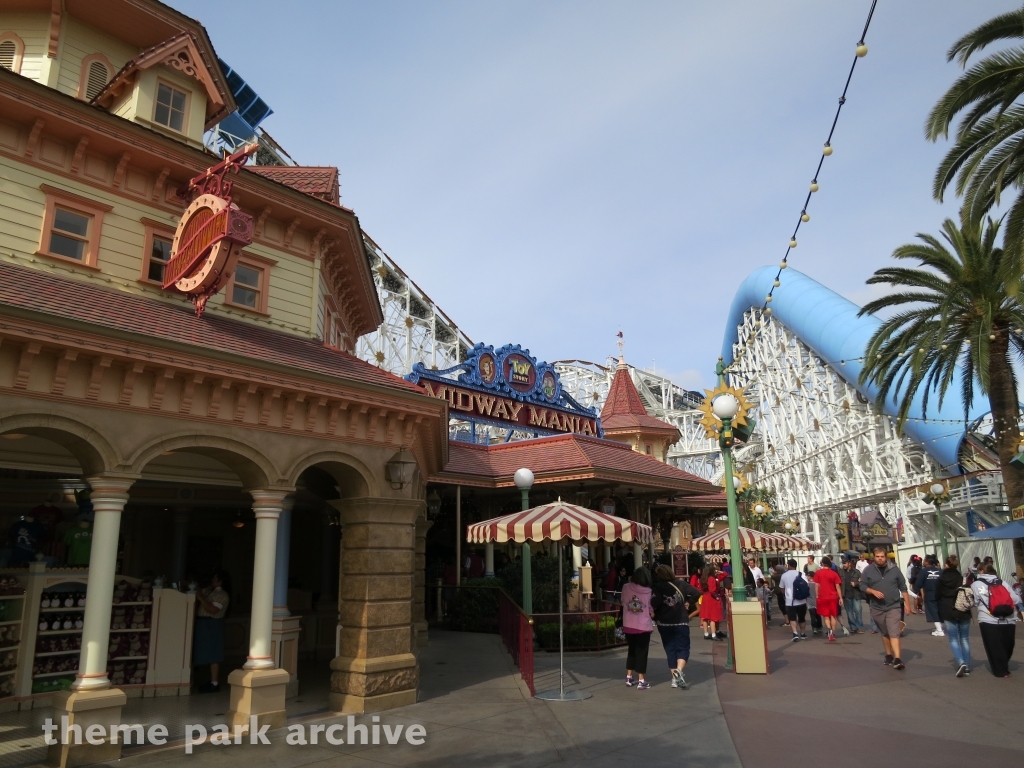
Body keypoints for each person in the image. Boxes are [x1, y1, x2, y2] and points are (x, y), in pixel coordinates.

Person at [651, 565, 702, 689]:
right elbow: (696, 592)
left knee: (670, 650)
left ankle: (674, 678)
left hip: (664, 622)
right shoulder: (681, 584)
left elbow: (654, 603)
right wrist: (688, 603)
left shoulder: (657, 587)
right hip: (680, 621)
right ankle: (679, 671)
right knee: (683, 648)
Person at [860, 547, 909, 670]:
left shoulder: (894, 570)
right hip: (877, 607)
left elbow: (903, 587)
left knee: (894, 631)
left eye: (882, 556)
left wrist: (908, 605)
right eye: (877, 556)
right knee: (885, 632)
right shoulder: (868, 570)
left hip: (893, 606)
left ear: (886, 557)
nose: (880, 558)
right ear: (874, 557)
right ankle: (888, 654)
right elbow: (862, 585)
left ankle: (897, 659)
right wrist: (872, 591)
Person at [971, 563, 1023, 678]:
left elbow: (974, 602)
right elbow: (1016, 599)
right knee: (1007, 644)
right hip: (1009, 618)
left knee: (993, 646)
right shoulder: (1003, 582)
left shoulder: (976, 584)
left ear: (980, 571)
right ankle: (1004, 664)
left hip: (988, 619)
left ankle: (1000, 670)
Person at [193, 570, 231, 693]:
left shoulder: (222, 595)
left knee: (213, 653)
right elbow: (201, 590)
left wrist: (201, 599)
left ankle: (214, 683)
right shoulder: (211, 591)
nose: (212, 581)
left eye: (215, 579)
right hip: (204, 624)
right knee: (202, 651)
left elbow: (213, 609)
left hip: (212, 624)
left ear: (220, 581)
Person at [936, 554, 972, 677]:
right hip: (963, 610)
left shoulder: (941, 579)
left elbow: (937, 596)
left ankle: (961, 662)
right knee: (965, 638)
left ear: (946, 565)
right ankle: (966, 665)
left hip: (947, 609)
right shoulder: (962, 578)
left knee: (953, 638)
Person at [621, 566, 655, 689]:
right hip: (643, 626)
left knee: (631, 651)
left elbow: (623, 601)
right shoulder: (649, 591)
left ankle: (629, 677)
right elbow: (651, 609)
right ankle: (641, 680)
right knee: (642, 652)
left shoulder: (625, 587)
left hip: (629, 624)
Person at [812, 556, 844, 642]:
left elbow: (816, 585)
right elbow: (838, 586)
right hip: (833, 596)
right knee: (833, 615)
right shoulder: (834, 573)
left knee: (826, 616)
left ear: (822, 563)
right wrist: (840, 597)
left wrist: (817, 595)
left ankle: (829, 629)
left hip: (822, 596)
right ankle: (833, 633)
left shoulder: (818, 573)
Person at [913, 554, 944, 636]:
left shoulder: (923, 571)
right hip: (941, 594)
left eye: (924, 560)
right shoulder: (940, 571)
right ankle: (940, 628)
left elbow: (918, 583)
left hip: (930, 594)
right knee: (940, 611)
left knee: (933, 612)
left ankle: (939, 630)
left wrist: (914, 592)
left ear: (926, 562)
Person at [779, 559, 808, 641]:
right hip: (802, 600)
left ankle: (795, 633)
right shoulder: (801, 574)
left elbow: (782, 588)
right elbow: (807, 585)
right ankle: (802, 633)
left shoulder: (784, 575)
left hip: (790, 601)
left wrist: (785, 595)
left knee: (792, 618)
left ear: (789, 565)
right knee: (802, 618)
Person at [699, 565, 725, 640]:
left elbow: (701, 589)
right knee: (713, 617)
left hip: (705, 597)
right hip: (711, 598)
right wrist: (716, 597)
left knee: (705, 617)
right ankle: (714, 634)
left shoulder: (703, 578)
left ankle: (706, 634)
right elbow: (712, 590)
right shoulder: (711, 578)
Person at [841, 556, 864, 634]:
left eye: (845, 563)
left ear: (849, 563)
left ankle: (859, 627)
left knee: (858, 610)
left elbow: (862, 582)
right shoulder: (841, 572)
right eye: (842, 563)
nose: (843, 564)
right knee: (849, 612)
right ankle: (853, 627)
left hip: (856, 594)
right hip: (846, 595)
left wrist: (856, 584)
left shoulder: (856, 572)